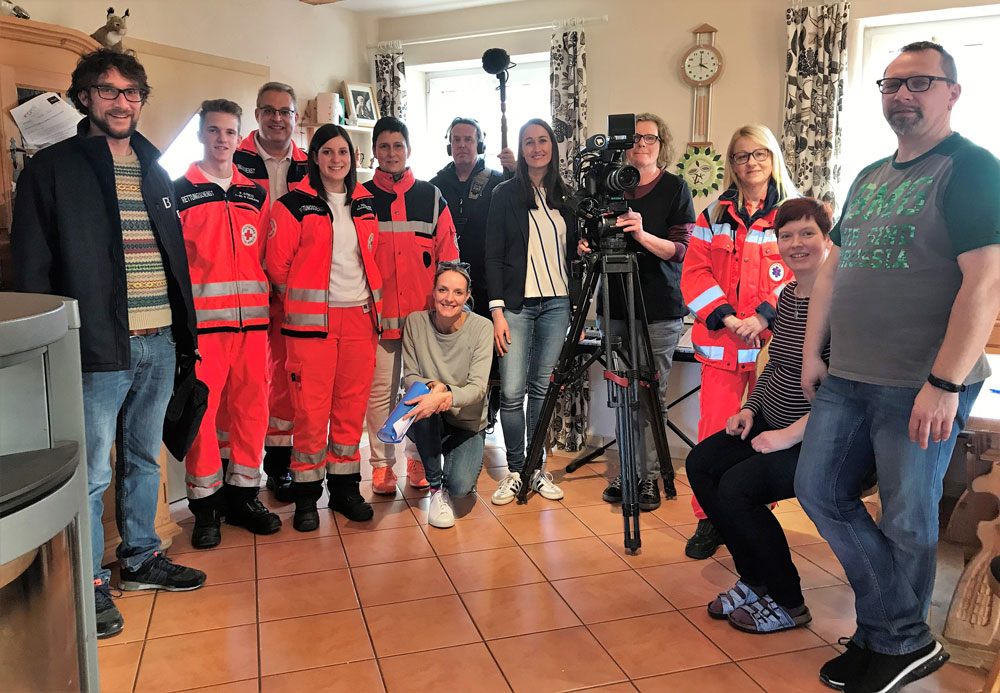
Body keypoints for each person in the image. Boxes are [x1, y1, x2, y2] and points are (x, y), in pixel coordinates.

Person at [795, 41, 1000, 692]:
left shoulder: (971, 169)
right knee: (819, 490)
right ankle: (902, 634)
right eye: (891, 84)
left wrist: (943, 383)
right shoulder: (870, 176)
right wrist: (808, 349)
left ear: (952, 93)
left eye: (920, 83)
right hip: (849, 373)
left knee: (907, 516)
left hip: (920, 382)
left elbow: (987, 281)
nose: (902, 95)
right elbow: (833, 269)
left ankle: (888, 638)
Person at [11, 49, 206, 640]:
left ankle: (142, 558)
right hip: (95, 348)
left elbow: (172, 259)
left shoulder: (155, 167)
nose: (122, 102)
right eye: (109, 91)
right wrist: (51, 346)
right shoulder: (51, 171)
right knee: (93, 474)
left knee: (146, 458)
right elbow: (33, 271)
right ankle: (90, 582)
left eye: (132, 93)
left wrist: (182, 334)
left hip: (159, 341)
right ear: (84, 97)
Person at [685, 197, 832, 634]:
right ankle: (754, 580)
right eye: (785, 235)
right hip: (771, 417)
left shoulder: (840, 301)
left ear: (828, 240)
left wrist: (788, 436)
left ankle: (788, 600)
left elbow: (843, 390)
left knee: (738, 487)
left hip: (815, 434)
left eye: (807, 233)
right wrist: (750, 409)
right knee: (700, 464)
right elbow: (777, 365)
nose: (795, 243)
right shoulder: (788, 296)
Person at [679, 124, 796, 559]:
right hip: (723, 346)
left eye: (759, 154)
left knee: (766, 437)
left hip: (774, 350)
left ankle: (752, 513)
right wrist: (730, 319)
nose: (751, 163)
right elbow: (695, 273)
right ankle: (709, 518)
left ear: (773, 157)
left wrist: (763, 316)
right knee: (715, 436)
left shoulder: (792, 212)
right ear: (732, 163)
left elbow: (803, 269)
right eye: (742, 155)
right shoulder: (712, 215)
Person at [174, 99, 280, 548]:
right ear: (202, 134)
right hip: (204, 333)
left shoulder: (255, 194)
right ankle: (206, 506)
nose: (222, 139)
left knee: (252, 411)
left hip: (253, 328)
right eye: (214, 131)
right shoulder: (179, 192)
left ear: (241, 138)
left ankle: (243, 494)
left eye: (230, 132)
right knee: (203, 418)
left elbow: (266, 260)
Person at [266, 124, 383, 530]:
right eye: (328, 152)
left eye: (344, 152)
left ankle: (345, 490)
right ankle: (305, 496)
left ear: (353, 158)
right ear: (314, 157)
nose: (337, 160)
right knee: (311, 415)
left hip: (359, 320)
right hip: (311, 326)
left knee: (350, 411)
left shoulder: (366, 204)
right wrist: (302, 303)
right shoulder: (292, 205)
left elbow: (372, 260)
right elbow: (276, 266)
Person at [578, 113, 695, 511]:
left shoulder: (675, 188)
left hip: (658, 306)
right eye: (634, 138)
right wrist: (587, 245)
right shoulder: (609, 185)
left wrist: (642, 233)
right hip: (612, 303)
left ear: (662, 143)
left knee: (648, 396)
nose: (641, 144)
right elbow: (591, 230)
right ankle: (628, 473)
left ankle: (647, 479)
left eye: (650, 138)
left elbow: (681, 250)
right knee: (620, 391)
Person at [362, 116, 459, 496]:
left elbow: (448, 256)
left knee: (419, 391)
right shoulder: (361, 199)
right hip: (377, 318)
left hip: (423, 319)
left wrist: (446, 308)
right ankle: (382, 466)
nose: (390, 153)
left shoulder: (431, 196)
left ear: (408, 150)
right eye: (383, 146)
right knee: (381, 394)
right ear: (374, 152)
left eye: (397, 146)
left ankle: (418, 459)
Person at [486, 118, 576, 505]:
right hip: (517, 307)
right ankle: (516, 471)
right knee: (510, 392)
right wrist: (497, 311)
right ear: (521, 151)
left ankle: (536, 469)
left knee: (542, 389)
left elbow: (573, 248)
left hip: (557, 304)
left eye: (543, 141)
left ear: (553, 147)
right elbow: (492, 254)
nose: (537, 147)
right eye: (529, 142)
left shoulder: (567, 196)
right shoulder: (505, 193)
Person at [231, 82, 309, 504]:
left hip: (296, 288)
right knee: (243, 383)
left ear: (295, 117)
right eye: (269, 110)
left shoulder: (309, 163)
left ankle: (279, 467)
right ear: (257, 114)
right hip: (243, 286)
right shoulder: (233, 159)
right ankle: (236, 477)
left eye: (286, 111)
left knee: (285, 380)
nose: (278, 118)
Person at [430, 117, 515, 432]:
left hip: (488, 283)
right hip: (448, 288)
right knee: (451, 352)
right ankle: (450, 419)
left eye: (468, 139)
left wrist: (515, 171)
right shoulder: (435, 185)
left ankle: (484, 416)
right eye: (456, 140)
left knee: (487, 354)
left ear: (480, 144)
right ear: (449, 144)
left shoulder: (498, 181)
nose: (462, 145)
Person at [400, 261, 493, 528]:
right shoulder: (416, 322)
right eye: (443, 290)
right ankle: (435, 489)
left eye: (457, 292)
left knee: (461, 487)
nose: (449, 298)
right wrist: (434, 388)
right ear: (433, 291)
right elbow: (411, 376)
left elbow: (477, 388)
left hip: (466, 422)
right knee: (424, 404)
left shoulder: (482, 328)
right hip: (429, 414)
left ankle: (452, 473)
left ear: (467, 297)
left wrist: (445, 394)